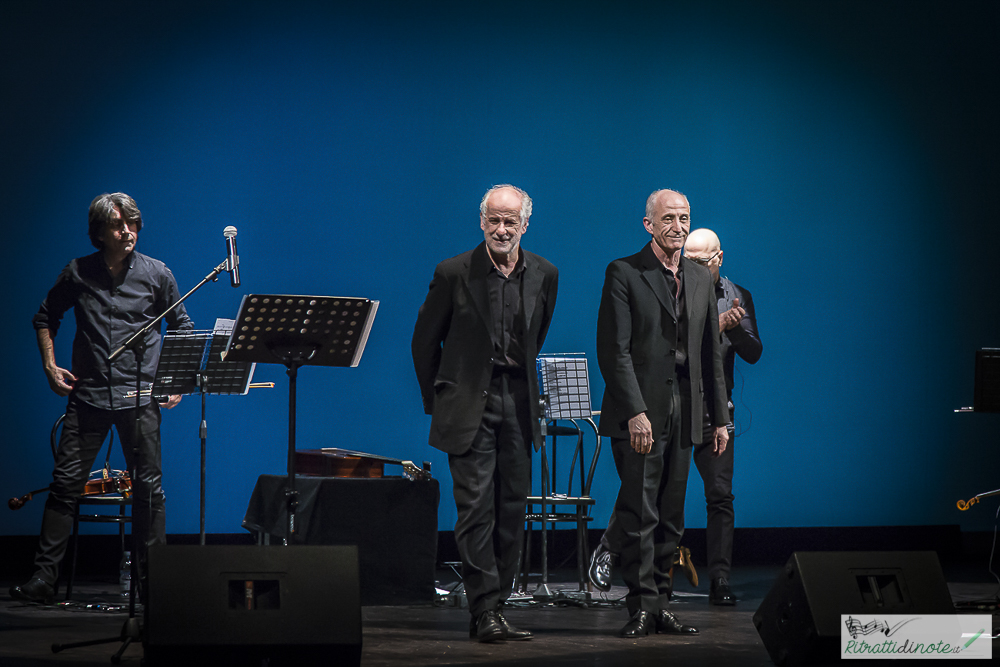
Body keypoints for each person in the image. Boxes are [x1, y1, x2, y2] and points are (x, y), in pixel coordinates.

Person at [10, 193, 192, 604]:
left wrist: (176, 380)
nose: (126, 230)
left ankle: (153, 585)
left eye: (132, 222)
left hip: (140, 398)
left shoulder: (157, 274)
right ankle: (43, 580)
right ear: (98, 232)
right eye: (116, 224)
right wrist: (49, 366)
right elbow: (45, 317)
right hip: (88, 396)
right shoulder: (78, 273)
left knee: (149, 490)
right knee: (64, 486)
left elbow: (181, 326)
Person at [412, 185, 558, 643]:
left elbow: (538, 334)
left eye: (509, 222)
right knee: (476, 510)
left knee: (513, 509)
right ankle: (483, 611)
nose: (500, 229)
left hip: (518, 400)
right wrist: (442, 402)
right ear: (481, 221)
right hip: (467, 404)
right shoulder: (453, 272)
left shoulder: (545, 274)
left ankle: (496, 604)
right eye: (493, 220)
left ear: (524, 225)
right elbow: (423, 343)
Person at [588, 228, 762, 607]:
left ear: (719, 259)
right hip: (662, 407)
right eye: (691, 258)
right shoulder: (657, 280)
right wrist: (718, 326)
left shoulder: (734, 294)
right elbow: (656, 346)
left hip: (709, 408)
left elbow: (739, 354)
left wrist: (719, 415)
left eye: (703, 259)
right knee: (644, 496)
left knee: (713, 497)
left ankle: (718, 579)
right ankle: (619, 561)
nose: (694, 263)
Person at [595, 189, 729, 637]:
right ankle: (640, 606)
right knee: (640, 511)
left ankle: (661, 604)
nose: (678, 225)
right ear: (649, 224)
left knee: (672, 514)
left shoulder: (698, 276)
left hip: (687, 407)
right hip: (641, 410)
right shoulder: (625, 272)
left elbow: (710, 353)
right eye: (668, 218)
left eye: (684, 217)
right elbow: (613, 352)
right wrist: (635, 411)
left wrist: (720, 417)